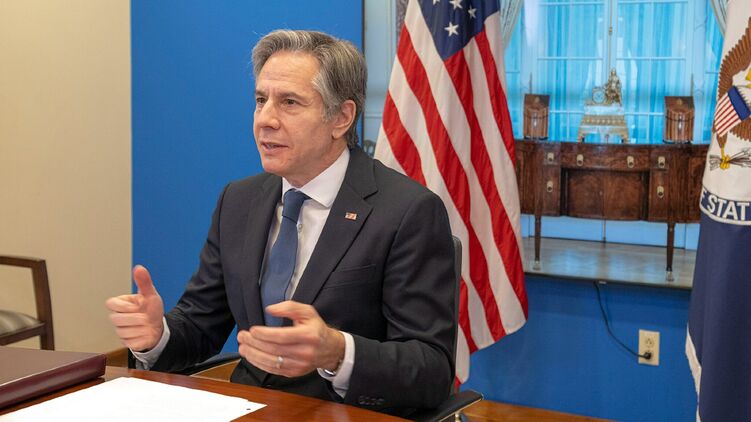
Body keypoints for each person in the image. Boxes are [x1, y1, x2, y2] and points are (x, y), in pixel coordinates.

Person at [105, 29, 456, 416]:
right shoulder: (239, 200)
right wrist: (157, 336)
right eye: (261, 100)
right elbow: (201, 325)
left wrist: (338, 353)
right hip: (248, 410)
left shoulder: (407, 211)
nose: (265, 120)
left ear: (341, 118)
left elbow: (431, 369)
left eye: (289, 102)